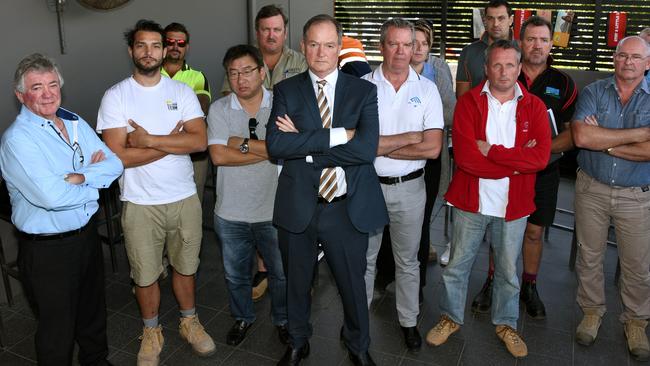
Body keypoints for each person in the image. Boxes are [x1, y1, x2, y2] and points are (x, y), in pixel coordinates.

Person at [266, 14, 388, 366]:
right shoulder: (286, 90)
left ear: (339, 48)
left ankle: (358, 345)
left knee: (352, 285)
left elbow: (365, 151)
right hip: (298, 204)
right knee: (297, 283)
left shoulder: (363, 90)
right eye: (314, 44)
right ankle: (298, 342)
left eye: (329, 45)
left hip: (346, 206)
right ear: (303, 47)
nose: (321, 52)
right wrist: (339, 136)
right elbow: (276, 145)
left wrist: (303, 147)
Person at [96, 19, 215, 366]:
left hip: (182, 197)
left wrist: (148, 140)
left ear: (165, 51)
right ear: (131, 50)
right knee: (145, 273)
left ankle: (189, 322)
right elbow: (118, 158)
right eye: (141, 45)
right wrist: (171, 144)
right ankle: (151, 331)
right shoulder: (115, 96)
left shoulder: (181, 92)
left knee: (185, 267)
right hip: (139, 203)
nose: (149, 52)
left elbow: (199, 141)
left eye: (155, 46)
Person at [425, 39, 551, 359]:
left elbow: (539, 159)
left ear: (519, 69)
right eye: (497, 64)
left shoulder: (534, 106)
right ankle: (450, 318)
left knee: (508, 271)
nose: (503, 71)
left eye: (510, 65)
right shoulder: (468, 103)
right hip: (471, 201)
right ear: (486, 68)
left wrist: (493, 152)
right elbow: (467, 159)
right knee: (457, 266)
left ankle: (506, 323)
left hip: (514, 205)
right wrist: (515, 164)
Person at [0, 53, 123, 365]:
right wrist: (95, 181)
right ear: (20, 95)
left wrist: (79, 177)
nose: (47, 93)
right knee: (58, 330)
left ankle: (96, 361)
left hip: (85, 238)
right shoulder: (18, 140)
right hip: (48, 252)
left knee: (93, 314)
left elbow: (115, 163)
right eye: (37, 87)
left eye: (53, 85)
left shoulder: (74, 120)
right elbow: (52, 197)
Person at [472, 15, 578, 319]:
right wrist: (516, 155)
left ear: (550, 44)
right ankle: (493, 281)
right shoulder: (504, 74)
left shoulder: (564, 83)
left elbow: (573, 134)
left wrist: (541, 152)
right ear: (520, 42)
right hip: (504, 171)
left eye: (544, 40)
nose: (537, 46)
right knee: (500, 231)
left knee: (533, 232)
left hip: (544, 171)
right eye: (531, 39)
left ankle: (529, 286)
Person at [362, 18, 443, 352]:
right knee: (364, 260)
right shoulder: (363, 87)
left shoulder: (427, 90)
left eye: (406, 44)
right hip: (368, 185)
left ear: (415, 48)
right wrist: (409, 137)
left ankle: (408, 322)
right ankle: (358, 320)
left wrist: (382, 143)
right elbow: (358, 145)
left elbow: (433, 147)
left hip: (411, 188)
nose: (399, 51)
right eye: (392, 43)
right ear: (382, 46)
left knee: (408, 261)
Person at [571, 35, 650, 362]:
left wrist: (603, 140)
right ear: (614, 59)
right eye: (622, 56)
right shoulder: (593, 92)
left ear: (647, 63)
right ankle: (591, 312)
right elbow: (581, 136)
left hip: (637, 195)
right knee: (589, 256)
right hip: (592, 188)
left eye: (635, 57)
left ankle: (635, 321)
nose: (628, 62)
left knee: (638, 264)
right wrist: (637, 135)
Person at [207, 44, 288, 346]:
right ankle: (243, 317)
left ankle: (282, 320)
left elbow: (288, 150)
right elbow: (218, 156)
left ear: (262, 72)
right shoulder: (219, 109)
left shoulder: (282, 103)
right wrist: (269, 150)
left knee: (280, 274)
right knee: (236, 275)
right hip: (231, 212)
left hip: (274, 210)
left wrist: (239, 142)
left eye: (247, 71)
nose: (241, 79)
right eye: (233, 73)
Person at [162, 22, 212, 203]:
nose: (175, 47)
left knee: (192, 202)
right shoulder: (151, 74)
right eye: (170, 41)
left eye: (181, 43)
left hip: (193, 153)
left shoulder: (197, 77)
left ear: (187, 47)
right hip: (157, 148)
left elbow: (201, 108)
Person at [221, 4, 307, 95]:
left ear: (285, 33)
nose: (271, 36)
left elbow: (305, 98)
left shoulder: (300, 62)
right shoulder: (239, 60)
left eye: (277, 30)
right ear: (257, 33)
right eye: (266, 30)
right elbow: (229, 97)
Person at [456, 0, 513, 98]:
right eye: (490, 18)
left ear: (510, 20)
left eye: (501, 18)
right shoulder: (468, 52)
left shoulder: (522, 50)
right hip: (476, 111)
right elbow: (462, 98)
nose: (495, 24)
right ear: (485, 20)